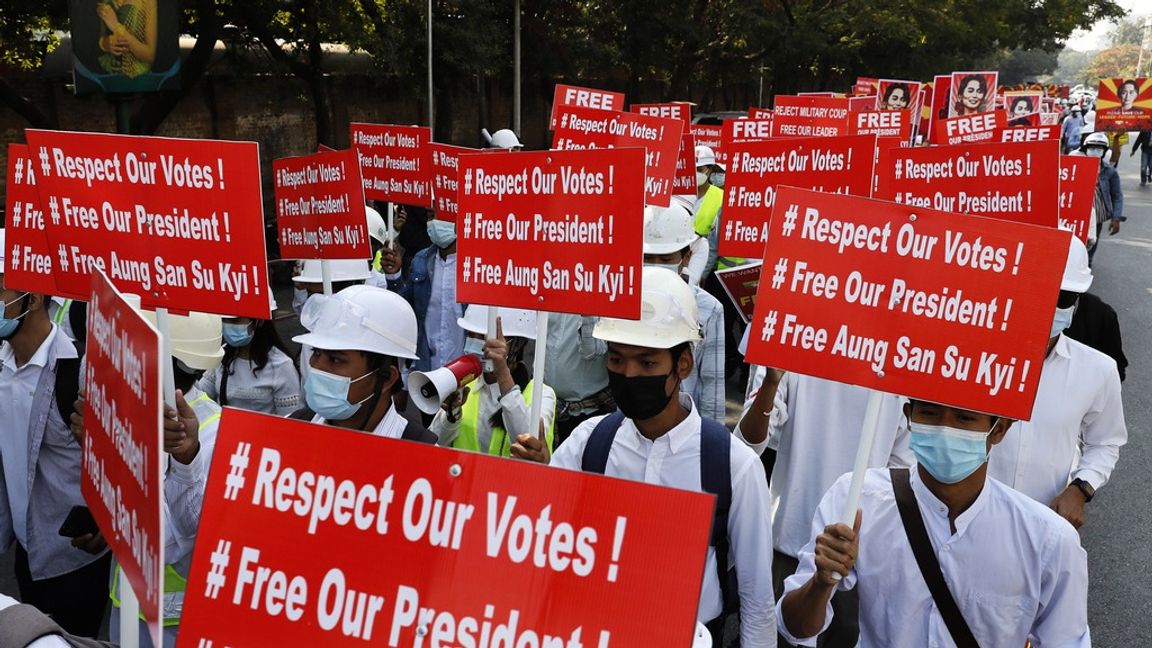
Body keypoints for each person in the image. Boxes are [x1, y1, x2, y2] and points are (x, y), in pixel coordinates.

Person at [514, 268, 777, 647]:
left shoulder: (733, 466)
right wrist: (538, 481)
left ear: (683, 365)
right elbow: (543, 542)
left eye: (647, 363)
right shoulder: (590, 444)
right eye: (617, 360)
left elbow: (756, 600)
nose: (629, 373)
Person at [776, 399, 1090, 646]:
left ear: (999, 429)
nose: (944, 428)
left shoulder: (1047, 541)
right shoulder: (857, 500)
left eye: (965, 418)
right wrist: (821, 582)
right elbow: (796, 628)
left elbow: (1065, 641)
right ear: (909, 417)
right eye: (930, 412)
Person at [737, 367, 910, 648]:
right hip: (789, 550)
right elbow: (747, 443)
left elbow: (901, 471)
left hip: (857, 562)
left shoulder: (904, 360)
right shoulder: (797, 339)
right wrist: (771, 382)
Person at [0, 233, 109, 637]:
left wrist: (107, 521)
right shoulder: (1, 366)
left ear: (31, 299)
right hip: (26, 553)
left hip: (73, 560)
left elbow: (125, 465)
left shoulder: (80, 372)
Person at [104, 308, 225, 645]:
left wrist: (185, 460)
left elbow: (179, 537)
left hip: (174, 621)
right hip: (125, 601)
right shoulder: (129, 410)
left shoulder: (215, 432)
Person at [988, 236, 1126, 529]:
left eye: (1062, 296)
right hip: (963, 523)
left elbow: (1106, 442)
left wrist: (1080, 488)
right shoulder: (967, 359)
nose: (1047, 306)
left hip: (1045, 524)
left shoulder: (1098, 370)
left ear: (1077, 302)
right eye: (1037, 292)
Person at [291, 285, 436, 442]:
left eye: (335, 359)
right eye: (316, 352)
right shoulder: (291, 430)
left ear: (387, 378)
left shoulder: (422, 456)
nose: (317, 366)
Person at [431, 306, 556, 456]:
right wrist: (451, 415)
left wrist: (502, 373)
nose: (475, 344)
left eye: (484, 338)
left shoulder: (541, 395)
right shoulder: (464, 385)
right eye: (471, 335)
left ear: (516, 345)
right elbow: (434, 444)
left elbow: (530, 448)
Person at [642, 202, 726, 422]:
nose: (656, 265)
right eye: (648, 258)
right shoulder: (624, 301)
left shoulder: (708, 309)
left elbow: (712, 385)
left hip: (684, 427)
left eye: (666, 258)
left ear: (686, 257)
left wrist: (710, 445)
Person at [391, 217, 465, 374]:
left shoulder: (478, 266)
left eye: (441, 216)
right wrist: (394, 276)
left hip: (464, 373)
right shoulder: (421, 260)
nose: (434, 223)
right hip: (426, 370)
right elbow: (404, 309)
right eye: (430, 216)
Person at [196, 308, 302, 416]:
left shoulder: (282, 365)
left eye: (235, 321)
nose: (227, 326)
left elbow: (290, 419)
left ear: (259, 321)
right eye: (224, 320)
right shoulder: (223, 355)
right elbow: (201, 393)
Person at [1081, 132, 1124, 252]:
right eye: (1092, 148)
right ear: (1085, 149)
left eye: (1099, 149)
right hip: (1076, 213)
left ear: (1104, 151)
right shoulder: (1073, 168)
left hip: (1096, 217)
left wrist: (1116, 218)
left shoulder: (1110, 171)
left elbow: (1117, 196)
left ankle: (1088, 266)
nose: (1095, 151)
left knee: (1091, 244)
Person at [96, 0, 157, 78]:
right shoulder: (104, 2)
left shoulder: (148, 2)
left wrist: (116, 26)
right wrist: (106, 43)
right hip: (107, 71)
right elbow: (100, 38)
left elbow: (150, 55)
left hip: (137, 77)